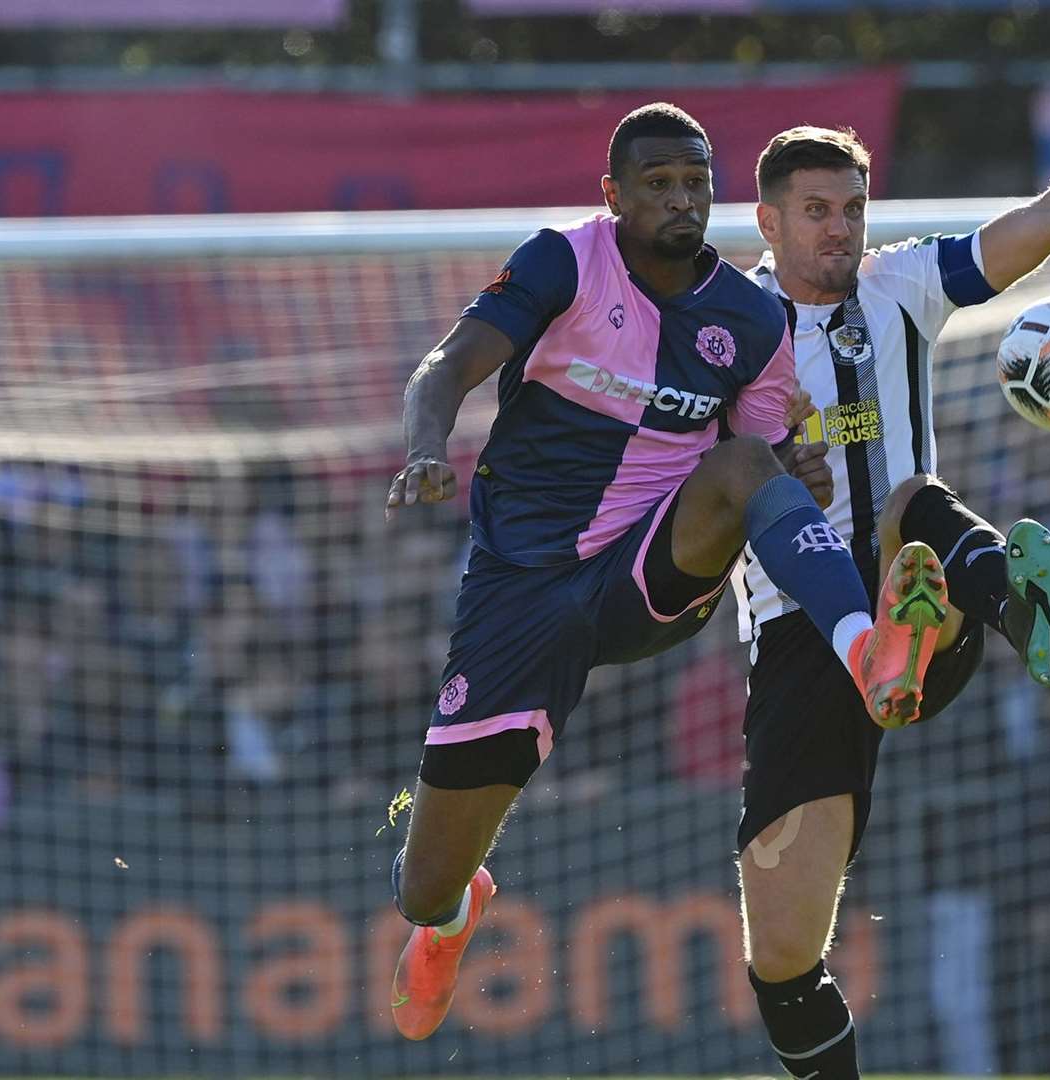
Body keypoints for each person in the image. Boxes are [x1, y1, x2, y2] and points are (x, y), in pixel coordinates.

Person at [731, 28, 1050, 1079]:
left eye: (850, 210)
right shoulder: (723, 332)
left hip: (918, 606)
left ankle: (1012, 601)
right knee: (781, 960)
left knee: (911, 497)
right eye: (814, 212)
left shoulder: (900, 288)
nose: (838, 231)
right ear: (767, 219)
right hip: (800, 645)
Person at [378, 103, 954, 1042]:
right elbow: (447, 367)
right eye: (658, 184)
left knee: (736, 469)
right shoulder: (562, 262)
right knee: (423, 884)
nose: (682, 200)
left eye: (695, 181)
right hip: (522, 590)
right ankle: (450, 920)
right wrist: (423, 447)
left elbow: (761, 458)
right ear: (614, 196)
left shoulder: (750, 318)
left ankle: (869, 652)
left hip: (647, 572)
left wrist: (787, 470)